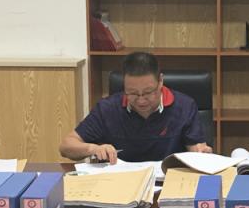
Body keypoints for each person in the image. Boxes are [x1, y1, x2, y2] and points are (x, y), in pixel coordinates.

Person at [59, 51, 212, 163]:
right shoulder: (108, 109)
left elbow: (195, 146)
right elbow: (66, 146)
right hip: (120, 185)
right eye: (132, 93)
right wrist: (93, 149)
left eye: (148, 92)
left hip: (168, 184)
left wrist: (201, 152)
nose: (141, 100)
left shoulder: (184, 106)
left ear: (160, 81)